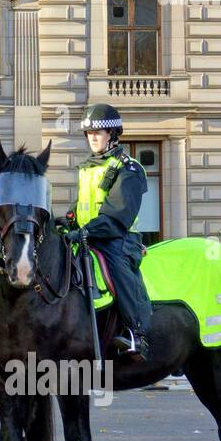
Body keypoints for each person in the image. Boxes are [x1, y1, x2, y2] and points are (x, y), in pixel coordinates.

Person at [64, 104, 153, 362]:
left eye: (99, 133)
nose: (93, 137)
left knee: (115, 267)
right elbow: (81, 206)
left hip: (118, 240)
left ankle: (138, 333)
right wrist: (65, 223)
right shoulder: (88, 168)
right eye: (89, 133)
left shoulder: (129, 168)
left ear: (113, 134)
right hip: (89, 236)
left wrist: (86, 231)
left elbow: (118, 215)